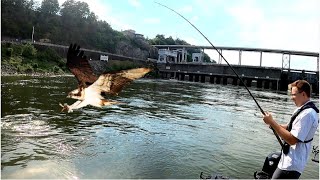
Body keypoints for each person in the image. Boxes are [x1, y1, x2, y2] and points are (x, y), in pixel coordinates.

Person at [263, 80, 319, 179]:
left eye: (293, 95)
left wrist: (272, 122)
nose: (291, 98)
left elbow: (292, 140)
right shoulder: (302, 109)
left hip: (291, 166)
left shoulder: (308, 114)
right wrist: (273, 124)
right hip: (287, 161)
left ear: (303, 94)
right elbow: (289, 127)